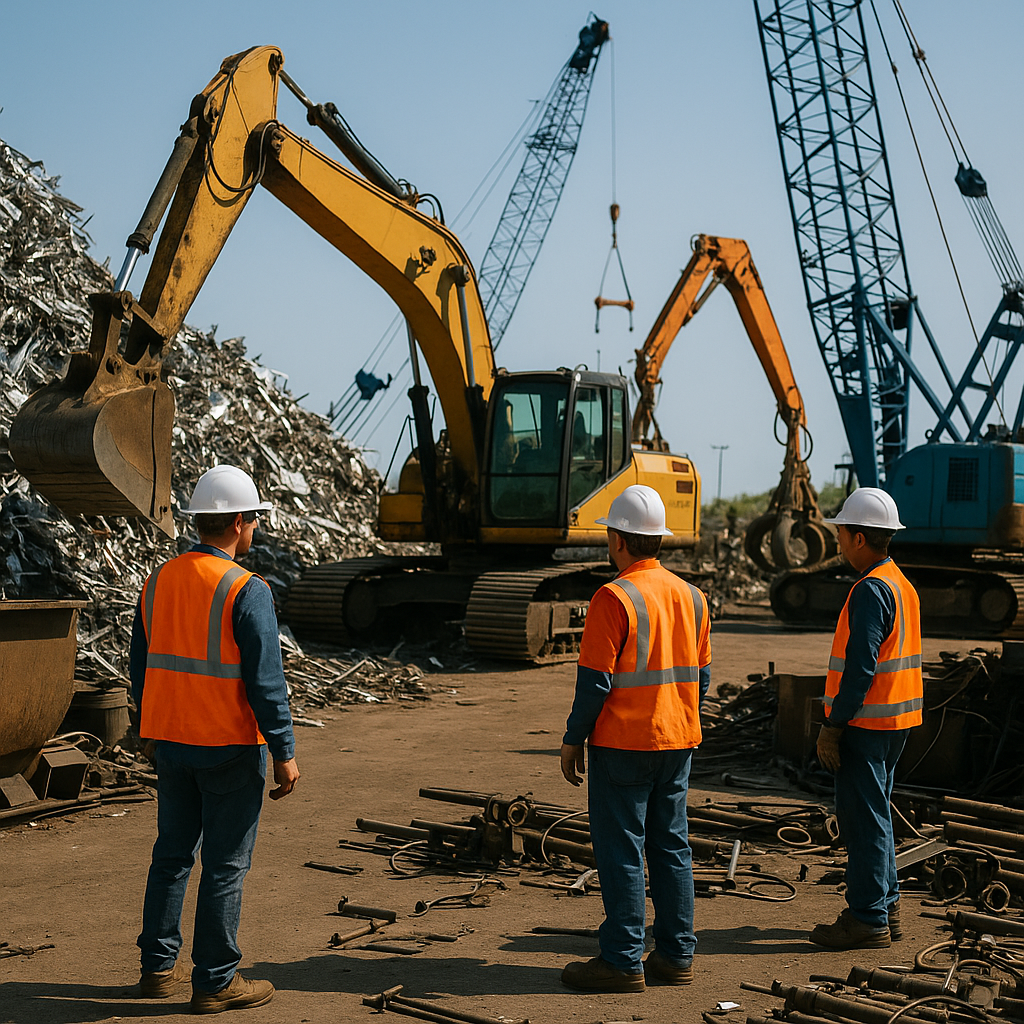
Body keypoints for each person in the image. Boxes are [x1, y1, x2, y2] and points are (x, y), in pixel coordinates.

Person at [130, 465, 300, 1013]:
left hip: (171, 744)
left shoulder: (158, 581)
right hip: (228, 747)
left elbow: (141, 667)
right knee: (225, 866)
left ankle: (158, 969)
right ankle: (216, 981)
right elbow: (266, 682)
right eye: (255, 520)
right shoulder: (246, 589)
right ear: (237, 522)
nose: (256, 529)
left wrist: (145, 729)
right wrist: (284, 751)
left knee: (171, 855)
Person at [559, 484, 711, 993]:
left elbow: (595, 682)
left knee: (622, 849)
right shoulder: (693, 597)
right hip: (678, 742)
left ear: (618, 540)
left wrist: (573, 737)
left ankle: (623, 961)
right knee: (672, 847)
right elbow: (702, 677)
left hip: (624, 744)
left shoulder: (614, 596)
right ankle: (676, 956)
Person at [810, 487, 923, 951]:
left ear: (859, 538)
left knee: (862, 822)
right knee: (877, 816)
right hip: (896, 722)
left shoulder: (871, 589)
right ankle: (886, 908)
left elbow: (860, 669)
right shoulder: (900, 583)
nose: (838, 541)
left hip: (866, 725)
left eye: (841, 533)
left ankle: (867, 918)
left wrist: (832, 727)